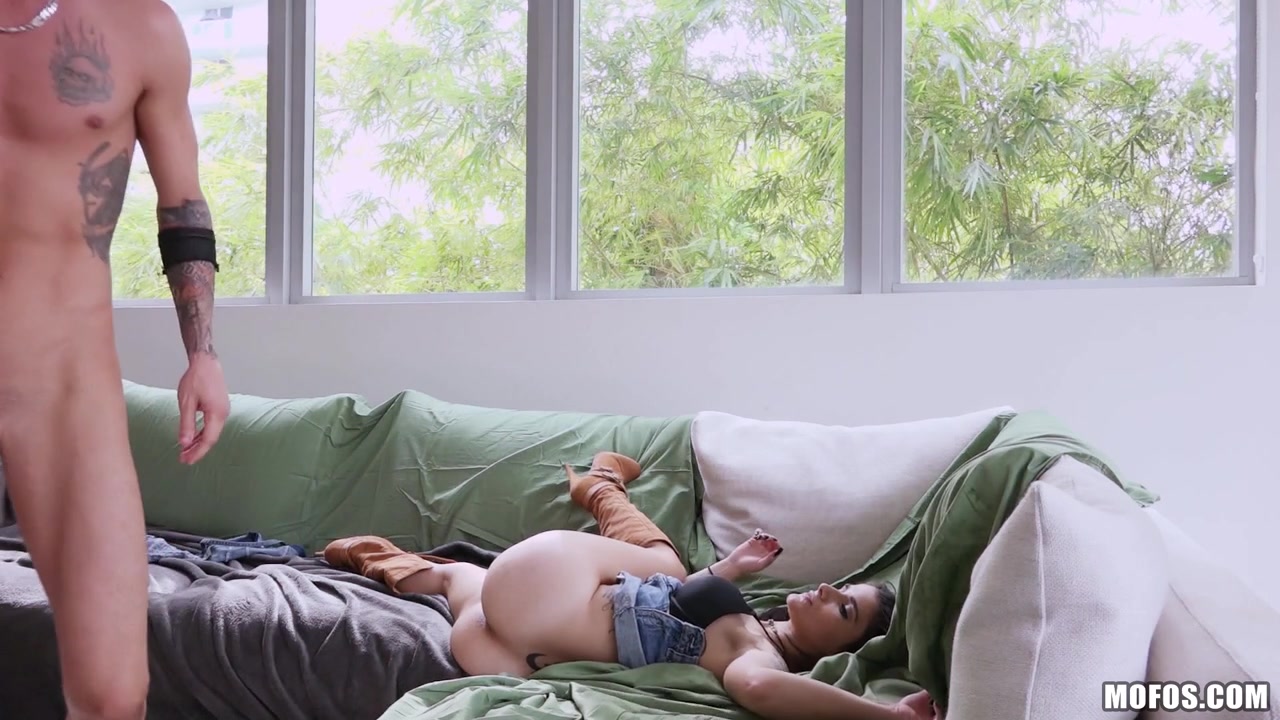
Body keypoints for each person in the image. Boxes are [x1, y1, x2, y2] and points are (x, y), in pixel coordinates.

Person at [0, 1, 230, 718]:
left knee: (112, 692)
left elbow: (182, 205)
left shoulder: (141, 26)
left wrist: (203, 355)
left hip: (66, 382)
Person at [326, 452, 938, 720]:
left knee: (665, 565)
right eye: (840, 588)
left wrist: (884, 716)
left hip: (542, 586)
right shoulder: (752, 626)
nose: (828, 590)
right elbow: (682, 607)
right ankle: (372, 556)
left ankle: (599, 485)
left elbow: (758, 687)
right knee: (466, 583)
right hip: (526, 618)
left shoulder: (761, 656)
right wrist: (732, 568)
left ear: (838, 652)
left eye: (844, 610)